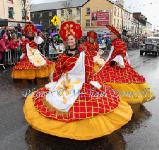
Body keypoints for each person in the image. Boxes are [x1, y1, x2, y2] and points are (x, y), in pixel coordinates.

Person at [23, 21, 132, 140]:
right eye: (68, 39)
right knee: (58, 99)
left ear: (75, 40)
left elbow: (89, 67)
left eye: (72, 39)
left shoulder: (83, 54)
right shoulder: (62, 56)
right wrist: (55, 80)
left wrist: (89, 80)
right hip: (67, 81)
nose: (70, 41)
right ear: (66, 42)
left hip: (81, 81)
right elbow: (58, 70)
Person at [93, 25, 155, 104]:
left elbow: (121, 54)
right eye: (110, 34)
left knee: (116, 80)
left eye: (111, 34)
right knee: (106, 79)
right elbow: (116, 55)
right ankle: (114, 97)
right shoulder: (115, 42)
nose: (110, 35)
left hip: (116, 65)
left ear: (116, 35)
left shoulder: (119, 42)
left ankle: (121, 98)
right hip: (113, 63)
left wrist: (115, 61)